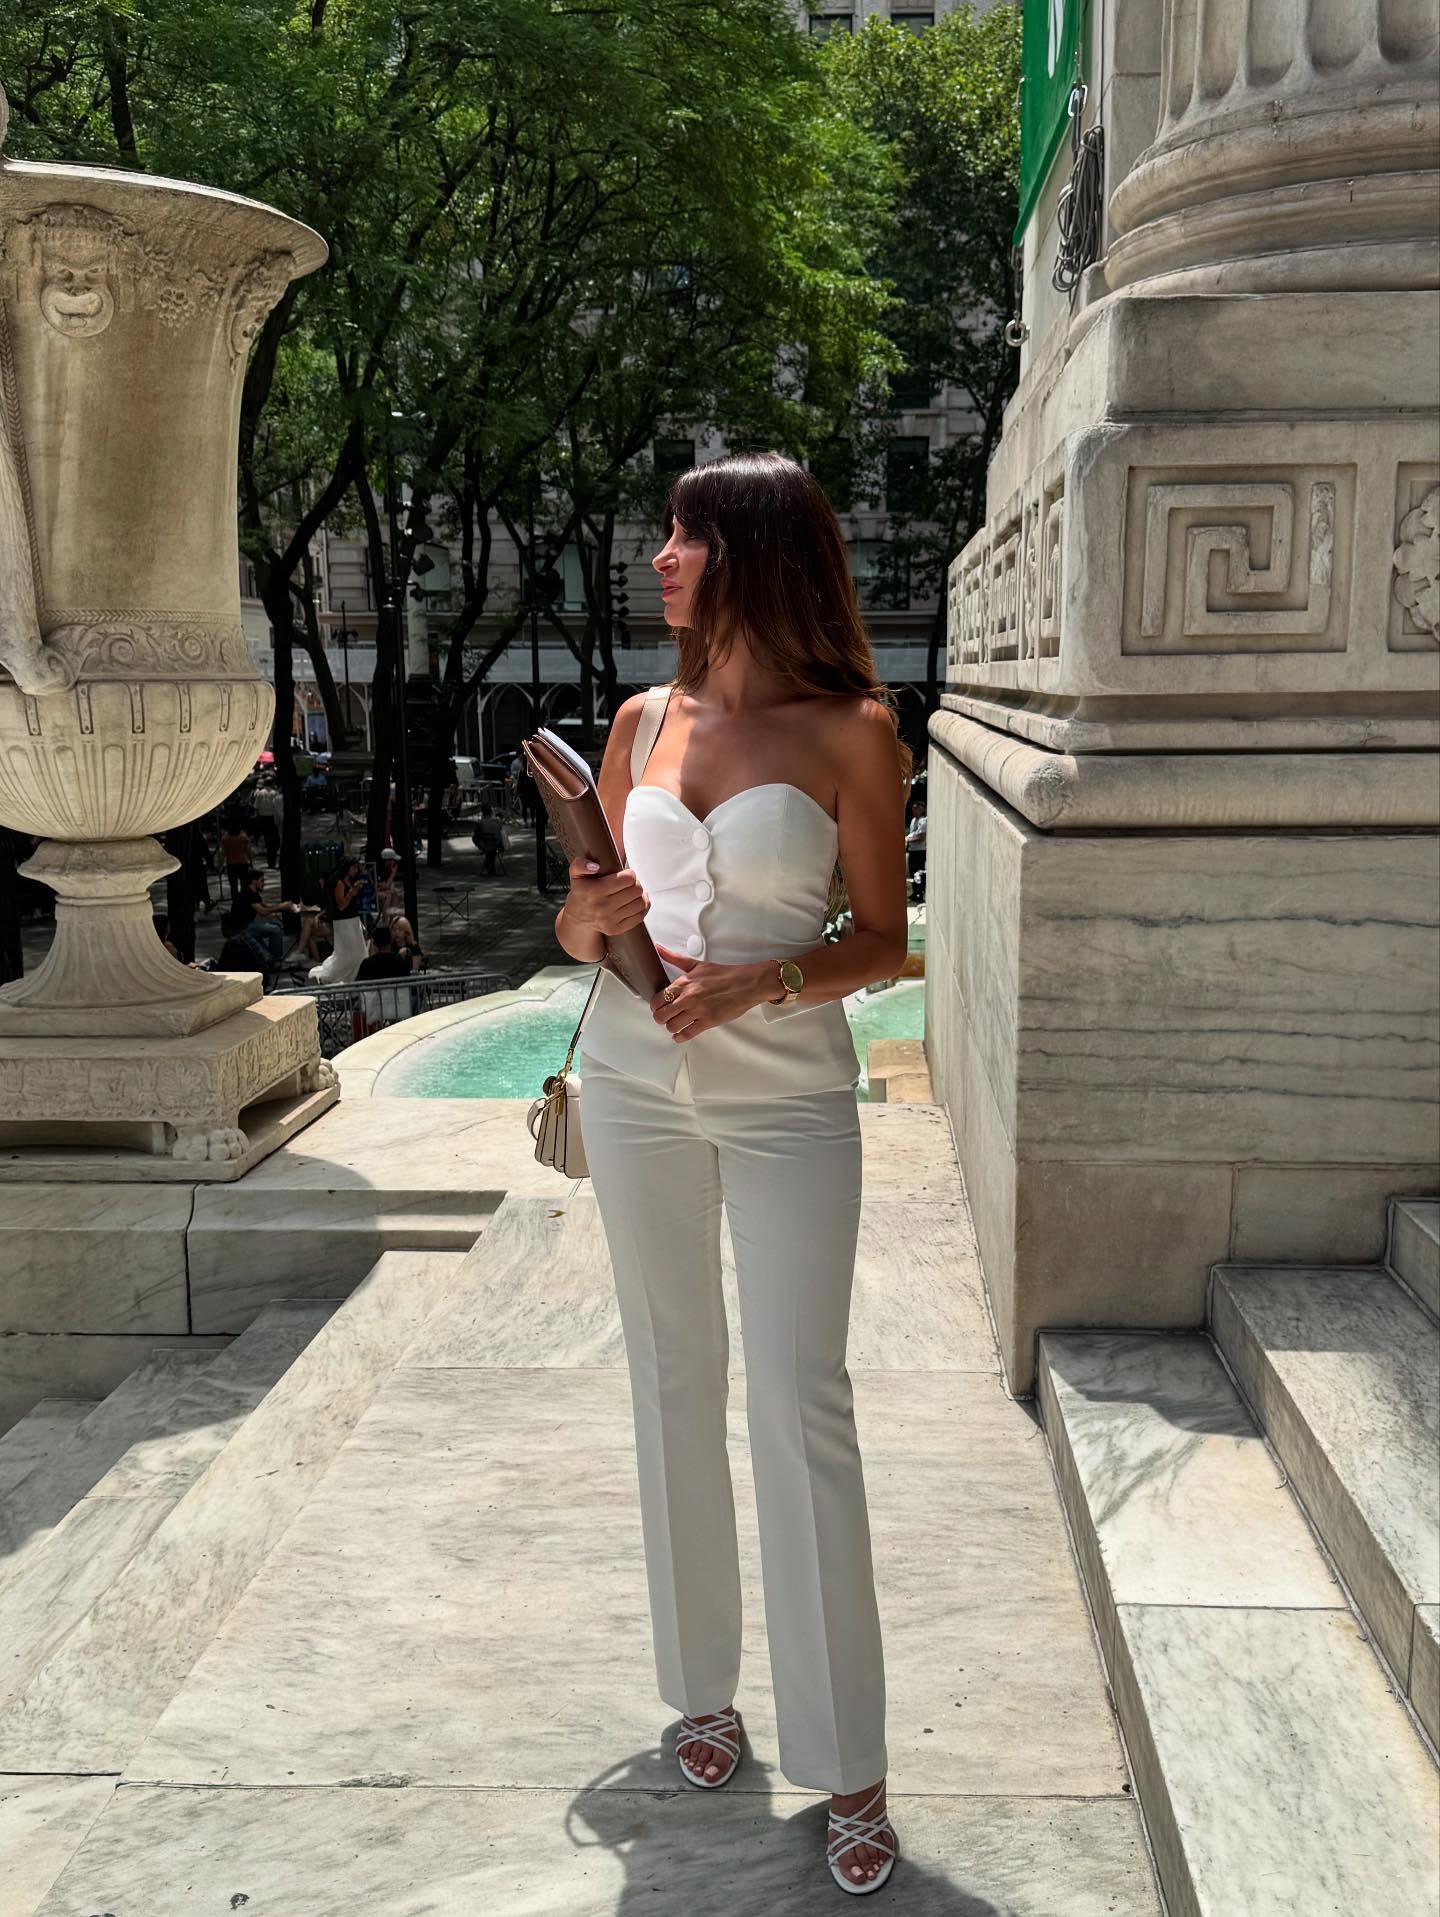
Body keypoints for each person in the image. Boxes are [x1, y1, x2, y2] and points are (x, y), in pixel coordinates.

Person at [555, 452, 909, 1897]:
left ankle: (850, 1755)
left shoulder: (855, 732)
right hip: (632, 1081)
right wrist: (590, 914)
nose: (660, 556)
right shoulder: (642, 719)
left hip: (788, 1097)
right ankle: (702, 1686)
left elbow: (886, 938)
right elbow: (579, 931)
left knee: (801, 1400)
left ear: (753, 551)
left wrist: (766, 982)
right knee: (669, 1378)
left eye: (684, 534)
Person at [307, 855, 369, 984]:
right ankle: (333, 976)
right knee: (346, 954)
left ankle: (354, 976)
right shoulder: (339, 883)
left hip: (353, 920)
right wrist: (351, 893)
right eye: (353, 867)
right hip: (344, 922)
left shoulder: (350, 880)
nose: (355, 870)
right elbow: (341, 906)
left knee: (359, 952)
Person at [217, 820, 252, 903]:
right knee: (244, 884)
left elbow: (223, 854)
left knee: (233, 885)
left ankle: (235, 902)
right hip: (243, 863)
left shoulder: (225, 838)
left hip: (231, 864)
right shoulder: (244, 837)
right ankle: (244, 900)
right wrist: (250, 860)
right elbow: (248, 851)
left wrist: (220, 865)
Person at [252, 777, 282, 867]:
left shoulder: (260, 793)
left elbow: (256, 807)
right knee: (274, 840)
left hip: (263, 819)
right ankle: (272, 859)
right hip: (272, 819)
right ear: (272, 784)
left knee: (268, 839)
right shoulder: (275, 793)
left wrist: (257, 818)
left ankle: (270, 860)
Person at [470, 804, 506, 875]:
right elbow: (501, 830)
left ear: (482, 812)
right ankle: (490, 866)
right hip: (497, 844)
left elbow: (476, 834)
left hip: (485, 845)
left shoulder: (480, 822)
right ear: (491, 812)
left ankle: (488, 865)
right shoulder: (497, 821)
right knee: (491, 844)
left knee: (477, 838)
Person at [904, 794, 926, 901]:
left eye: (916, 808)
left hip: (919, 851)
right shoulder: (913, 820)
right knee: (913, 872)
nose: (914, 810)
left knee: (919, 872)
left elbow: (922, 837)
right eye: (913, 808)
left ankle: (920, 893)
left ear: (921, 809)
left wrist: (908, 840)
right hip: (912, 850)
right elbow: (912, 833)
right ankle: (915, 892)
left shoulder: (923, 821)